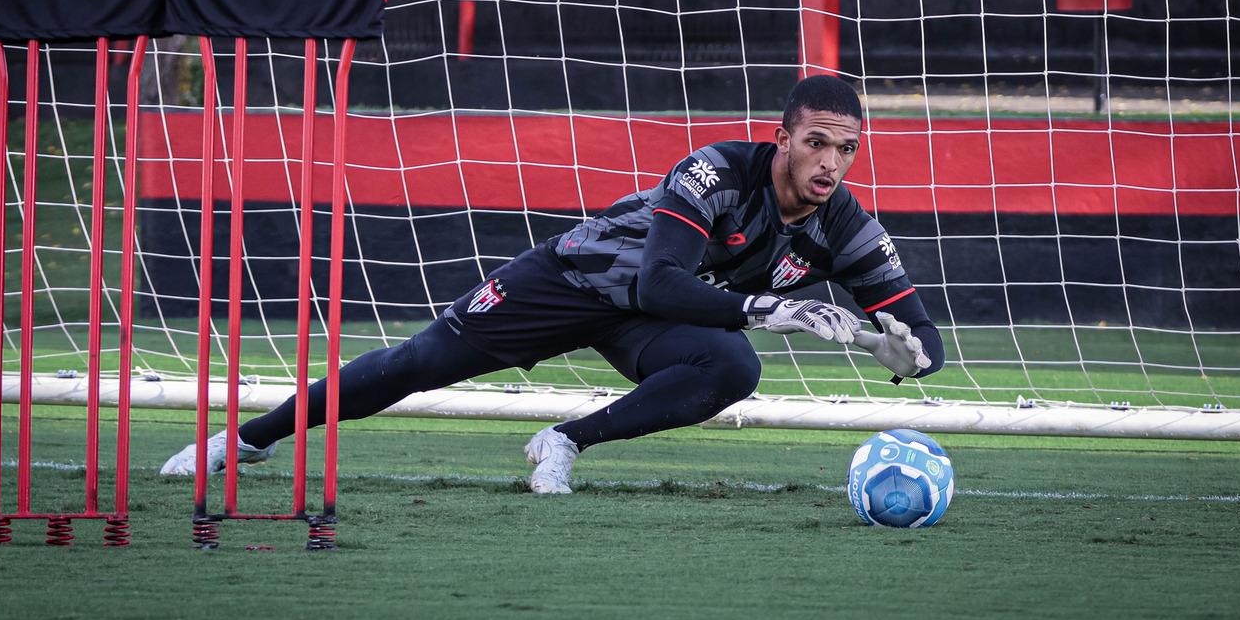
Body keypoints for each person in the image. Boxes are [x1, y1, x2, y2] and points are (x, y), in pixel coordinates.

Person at [161, 75, 944, 493]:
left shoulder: (845, 223)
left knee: (732, 366)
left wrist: (908, 354)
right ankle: (246, 441)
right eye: (816, 143)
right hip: (574, 280)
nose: (831, 164)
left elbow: (920, 332)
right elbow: (662, 280)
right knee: (412, 367)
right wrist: (774, 308)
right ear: (782, 139)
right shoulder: (712, 170)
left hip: (635, 322)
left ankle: (563, 442)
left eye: (846, 149)